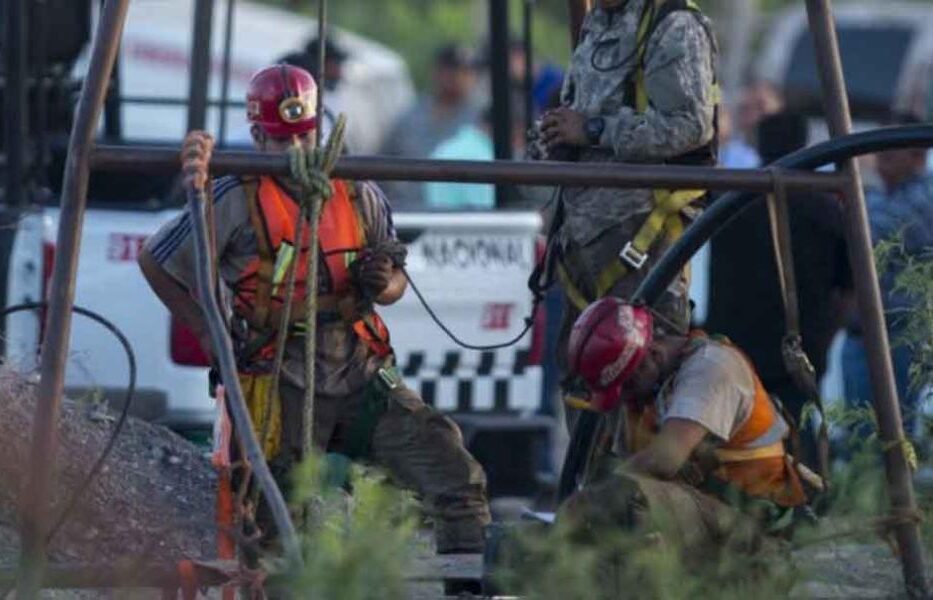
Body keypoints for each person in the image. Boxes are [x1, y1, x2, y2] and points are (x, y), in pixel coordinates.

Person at [137, 64, 490, 556]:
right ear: (259, 136)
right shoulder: (234, 196)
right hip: (279, 382)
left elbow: (397, 285)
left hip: (360, 375)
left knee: (454, 474)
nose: (296, 152)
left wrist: (382, 281)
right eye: (284, 141)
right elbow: (156, 261)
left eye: (305, 137)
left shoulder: (357, 191)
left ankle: (469, 585)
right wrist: (212, 334)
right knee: (272, 523)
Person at [531, 0, 719, 406]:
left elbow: (690, 127)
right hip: (583, 238)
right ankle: (589, 471)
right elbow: (585, 115)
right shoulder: (600, 21)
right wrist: (555, 138)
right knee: (583, 376)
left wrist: (595, 130)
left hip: (641, 237)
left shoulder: (674, 25)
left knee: (646, 377)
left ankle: (647, 468)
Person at [561, 298, 813, 555]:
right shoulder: (650, 388)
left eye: (627, 385)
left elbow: (664, 460)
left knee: (628, 496)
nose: (625, 397)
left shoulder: (712, 368)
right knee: (605, 488)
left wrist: (588, 502)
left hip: (755, 532)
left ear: (653, 355)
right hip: (708, 516)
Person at [706, 112, 852, 424]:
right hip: (799, 348)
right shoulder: (828, 210)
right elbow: (850, 290)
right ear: (804, 144)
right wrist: (825, 335)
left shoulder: (728, 202)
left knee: (729, 439)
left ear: (758, 144)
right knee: (798, 441)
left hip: (732, 345)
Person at [842, 113, 933, 432]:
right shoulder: (880, 195)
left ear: (918, 155)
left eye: (889, 152)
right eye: (879, 152)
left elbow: (871, 232)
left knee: (889, 438)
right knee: (861, 439)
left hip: (900, 337)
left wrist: (850, 188)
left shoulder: (926, 195)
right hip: (865, 332)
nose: (881, 160)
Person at [379, 44, 480, 209]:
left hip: (463, 218)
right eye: (451, 70)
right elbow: (382, 162)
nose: (458, 77)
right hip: (410, 213)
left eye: (466, 71)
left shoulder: (480, 119)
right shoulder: (411, 116)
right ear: (437, 72)